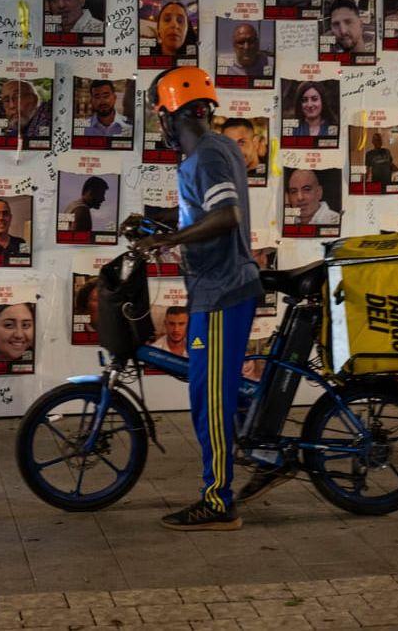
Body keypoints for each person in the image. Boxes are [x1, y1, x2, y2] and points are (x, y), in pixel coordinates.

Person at [129, 66, 262, 529]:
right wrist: (160, 224)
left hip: (221, 291)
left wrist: (168, 241)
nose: (160, 125)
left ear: (171, 114)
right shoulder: (220, 147)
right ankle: (253, 456)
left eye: (159, 115)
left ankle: (219, 500)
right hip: (221, 287)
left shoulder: (205, 155)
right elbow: (205, 206)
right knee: (216, 393)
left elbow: (225, 216)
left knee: (211, 400)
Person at [0, 78, 52, 143]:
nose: (12, 105)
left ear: (34, 99)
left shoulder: (46, 116)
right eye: (6, 100)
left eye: (17, 96)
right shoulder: (16, 128)